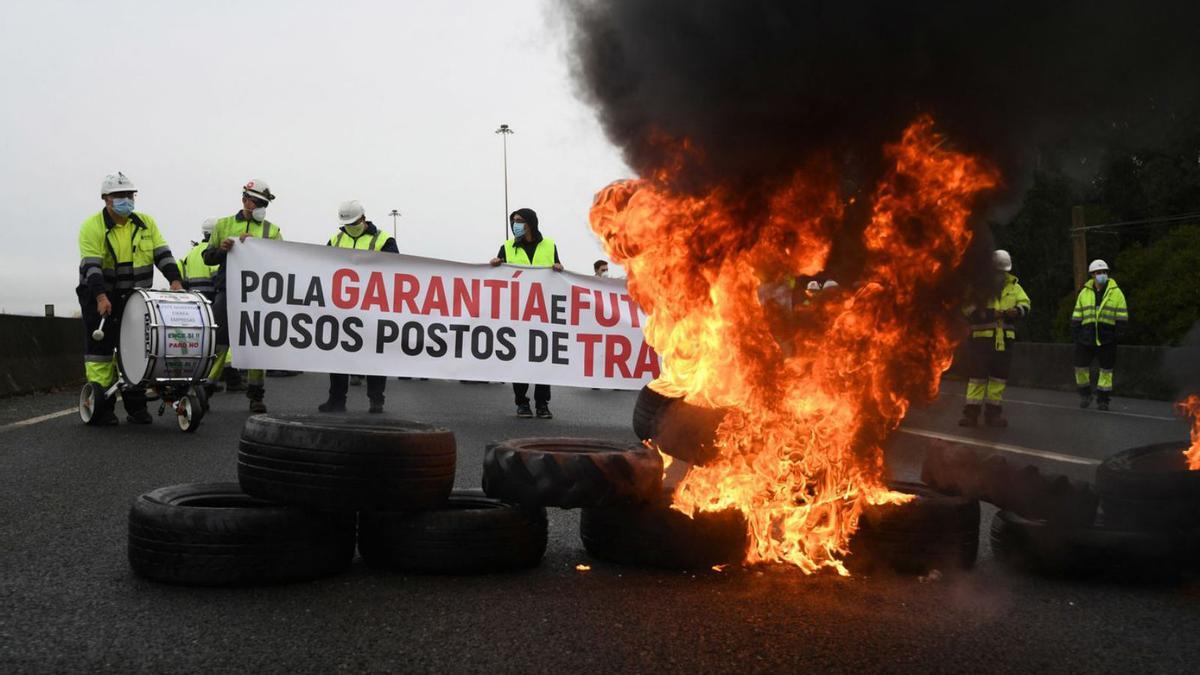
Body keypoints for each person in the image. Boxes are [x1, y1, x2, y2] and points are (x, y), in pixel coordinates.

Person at [77, 172, 183, 425]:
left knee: (138, 349)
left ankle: (136, 408)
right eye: (119, 196)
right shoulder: (92, 227)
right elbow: (92, 267)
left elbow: (163, 254)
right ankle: (103, 406)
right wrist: (101, 297)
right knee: (101, 351)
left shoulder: (145, 223)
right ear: (106, 199)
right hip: (100, 294)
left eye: (129, 195)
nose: (126, 199)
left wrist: (176, 281)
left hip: (136, 297)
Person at [202, 178, 282, 413]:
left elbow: (282, 262)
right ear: (245, 200)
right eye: (257, 202)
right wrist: (222, 249)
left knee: (256, 343)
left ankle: (256, 395)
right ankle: (205, 389)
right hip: (228, 290)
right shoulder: (224, 225)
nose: (260, 207)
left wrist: (260, 248)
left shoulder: (272, 230)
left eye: (263, 203)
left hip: (259, 295)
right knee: (219, 343)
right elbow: (208, 258)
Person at [319, 201, 398, 414]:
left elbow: (396, 269)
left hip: (372, 306)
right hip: (341, 307)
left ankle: (376, 400)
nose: (350, 226)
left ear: (363, 218)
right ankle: (336, 400)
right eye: (347, 223)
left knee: (373, 353)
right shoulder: (336, 239)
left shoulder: (383, 240)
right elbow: (319, 266)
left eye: (353, 222)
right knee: (338, 354)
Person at [489, 207, 562, 418]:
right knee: (519, 360)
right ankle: (522, 402)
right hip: (517, 314)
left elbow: (557, 274)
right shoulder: (507, 247)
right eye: (513, 221)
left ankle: (542, 404)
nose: (515, 225)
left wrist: (558, 267)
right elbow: (498, 275)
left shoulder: (549, 245)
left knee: (542, 360)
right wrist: (494, 264)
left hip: (543, 314)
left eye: (519, 220)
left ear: (531, 222)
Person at [958, 250, 1031, 428]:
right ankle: (971, 414)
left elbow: (1026, 304)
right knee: (977, 378)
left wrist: (1017, 311)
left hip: (1004, 341)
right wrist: (991, 313)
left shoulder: (1014, 286)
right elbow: (967, 308)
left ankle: (993, 415)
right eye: (997, 271)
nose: (1000, 275)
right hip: (981, 342)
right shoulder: (978, 287)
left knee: (999, 379)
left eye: (1003, 271)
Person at [1071, 259, 1129, 411]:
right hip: (1086, 337)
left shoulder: (1116, 293)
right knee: (1080, 368)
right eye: (1098, 273)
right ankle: (1085, 395)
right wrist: (1076, 334)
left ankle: (1103, 400)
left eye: (1104, 272)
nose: (1101, 275)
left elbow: (1122, 316)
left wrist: (1118, 334)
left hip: (1107, 338)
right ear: (1092, 275)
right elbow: (1077, 316)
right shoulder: (1084, 293)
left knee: (1106, 372)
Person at [180, 218, 219, 300]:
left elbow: (185, 281)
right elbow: (218, 279)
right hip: (212, 301)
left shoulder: (191, 253)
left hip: (196, 302)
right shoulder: (213, 252)